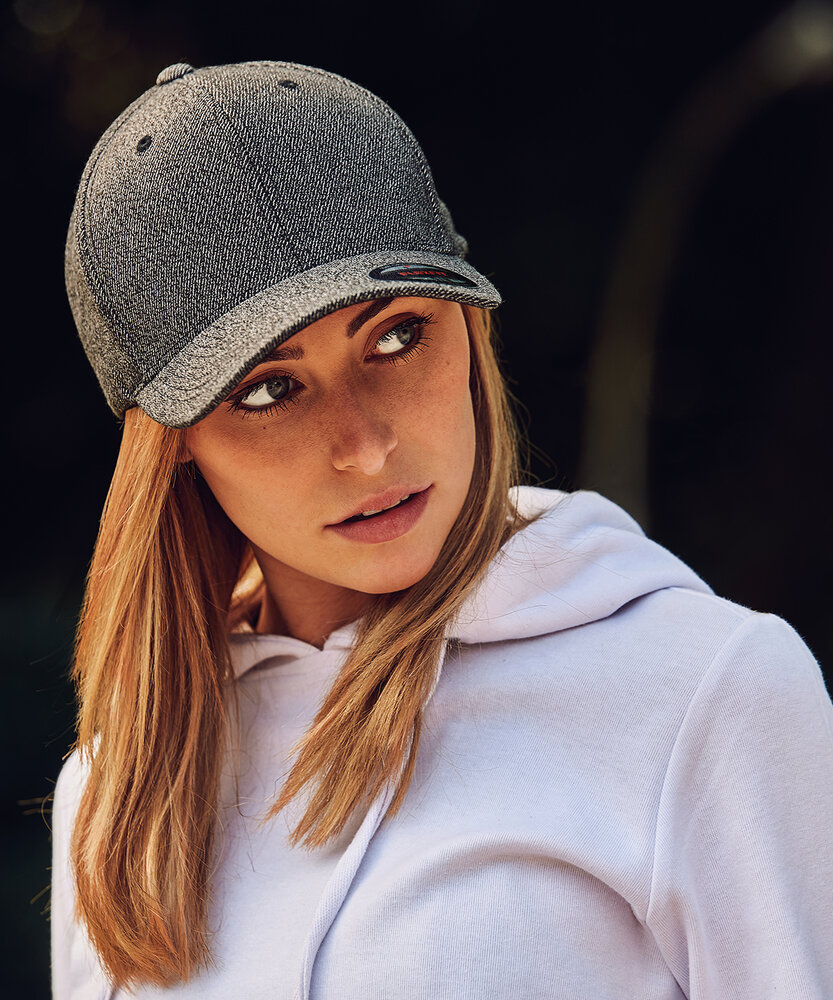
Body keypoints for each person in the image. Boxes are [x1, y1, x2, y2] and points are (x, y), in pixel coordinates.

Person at [51, 59, 833, 1000]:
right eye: (268, 389)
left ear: (468, 330)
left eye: (396, 336)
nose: (366, 448)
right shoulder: (115, 793)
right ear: (171, 449)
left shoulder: (704, 692)